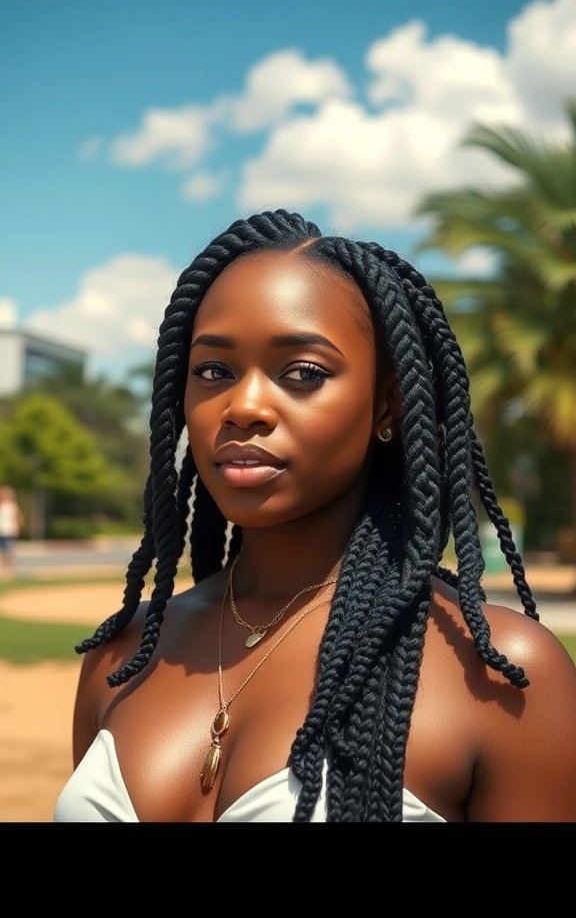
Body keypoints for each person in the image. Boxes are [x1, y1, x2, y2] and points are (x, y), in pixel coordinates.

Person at [53, 208, 576, 823]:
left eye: (302, 373)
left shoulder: (499, 674)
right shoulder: (121, 654)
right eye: (213, 371)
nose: (243, 406)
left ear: (389, 407)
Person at [0, 485, 23, 581]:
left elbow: (18, 518)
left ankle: (9, 570)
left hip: (8, 531)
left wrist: (16, 527)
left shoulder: (12, 506)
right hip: (1, 531)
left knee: (8, 551)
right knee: (2, 552)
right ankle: (2, 569)